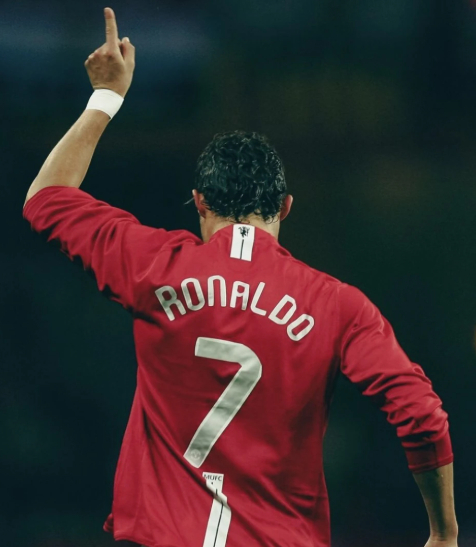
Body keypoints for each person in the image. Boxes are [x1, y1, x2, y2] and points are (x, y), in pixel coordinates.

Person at [23, 8, 458, 547]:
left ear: (199, 202)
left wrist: (106, 97)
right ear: (286, 206)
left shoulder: (153, 264)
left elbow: (46, 198)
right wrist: (444, 532)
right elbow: (422, 416)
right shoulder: (338, 305)